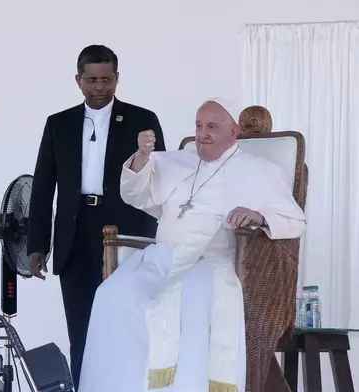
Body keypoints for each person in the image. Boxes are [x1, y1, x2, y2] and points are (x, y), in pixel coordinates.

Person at [77, 98, 307, 392]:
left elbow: (294, 220)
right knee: (112, 294)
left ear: (233, 132)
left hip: (210, 261)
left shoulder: (260, 170)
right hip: (161, 257)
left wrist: (258, 216)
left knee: (192, 299)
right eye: (198, 126)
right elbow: (136, 195)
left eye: (212, 127)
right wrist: (142, 156)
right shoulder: (178, 160)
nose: (203, 134)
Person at [27, 44, 166, 389]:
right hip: (75, 234)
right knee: (82, 326)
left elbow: (160, 180)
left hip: (126, 232)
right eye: (92, 80)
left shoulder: (142, 120)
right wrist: (37, 245)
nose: (100, 87)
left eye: (106, 79)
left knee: (127, 323)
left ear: (117, 78)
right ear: (78, 80)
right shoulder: (58, 124)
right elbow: (44, 187)